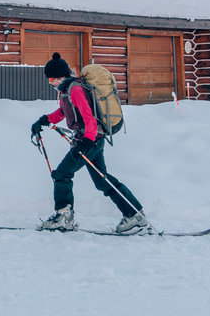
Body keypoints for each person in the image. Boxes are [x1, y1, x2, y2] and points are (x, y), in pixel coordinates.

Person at [30, 52, 149, 233]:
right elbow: (62, 113)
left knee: (61, 174)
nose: (50, 82)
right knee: (102, 181)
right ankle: (134, 214)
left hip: (90, 140)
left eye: (52, 78)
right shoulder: (66, 91)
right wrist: (43, 121)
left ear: (61, 76)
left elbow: (90, 119)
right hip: (91, 140)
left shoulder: (75, 89)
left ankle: (64, 217)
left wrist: (85, 144)